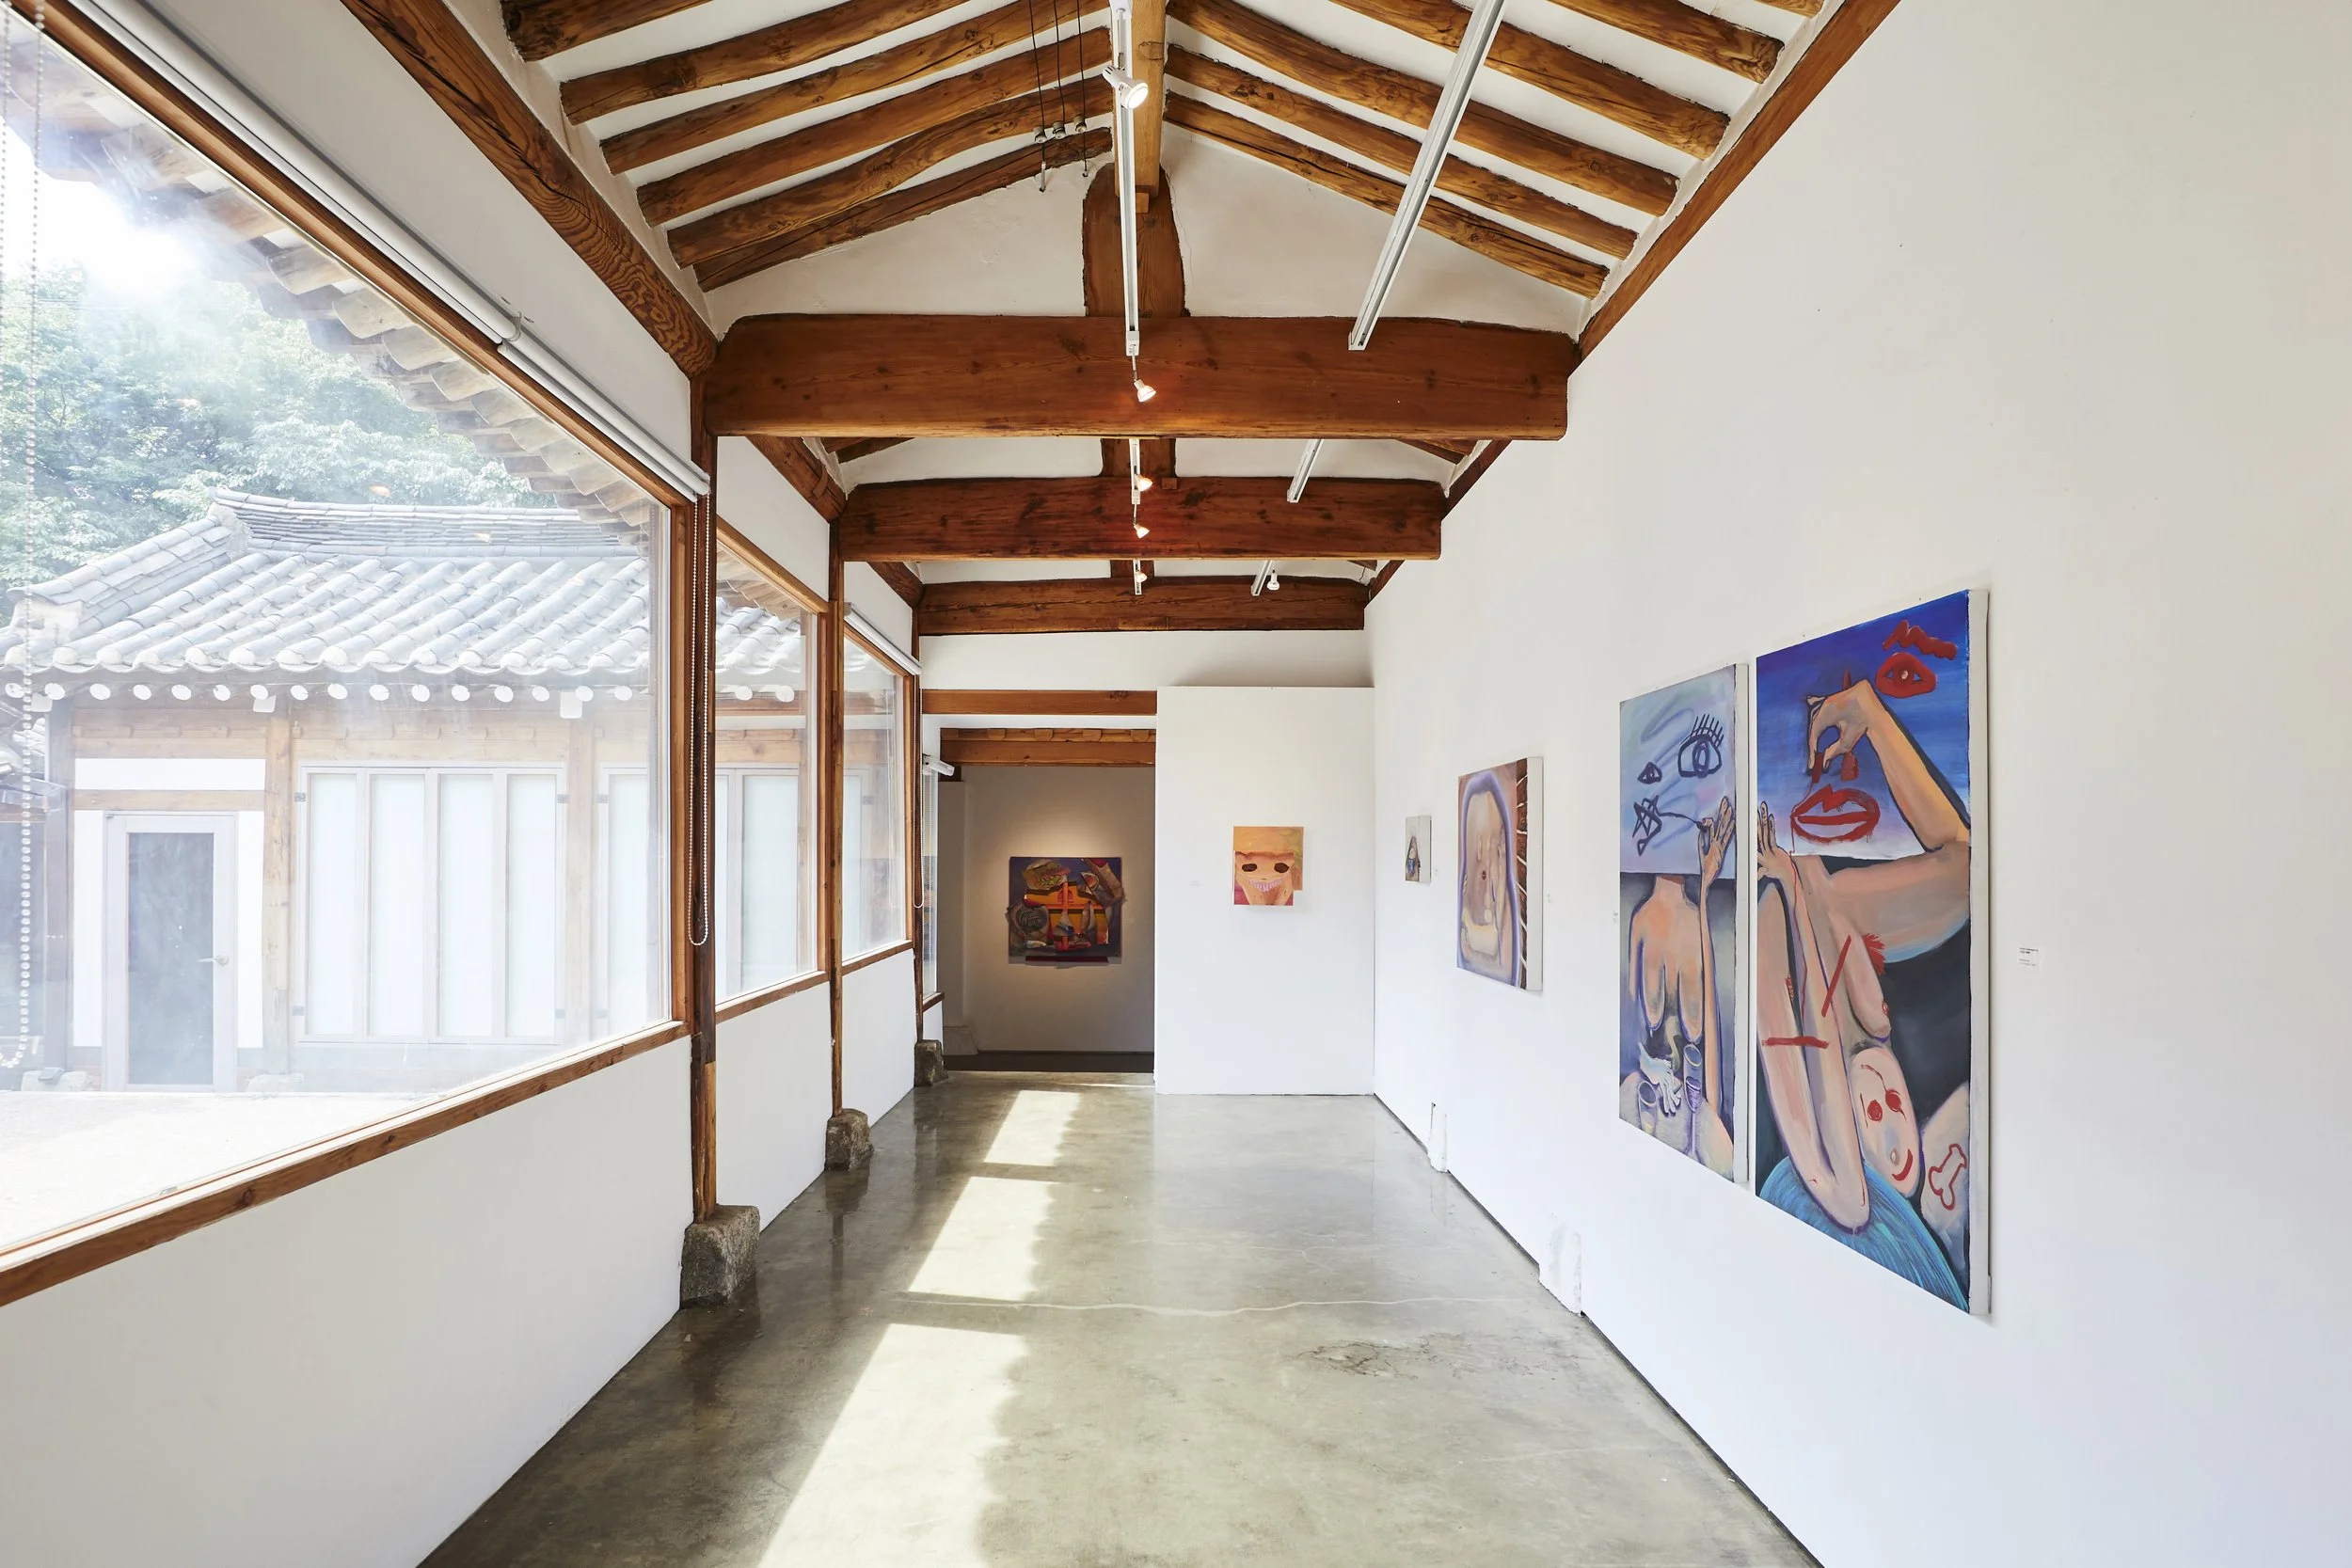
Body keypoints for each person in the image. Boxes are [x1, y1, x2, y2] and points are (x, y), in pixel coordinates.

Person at [1755, 678, 1969, 1306]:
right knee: (1966, 872)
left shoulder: (1832, 1163)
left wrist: (1793, 891)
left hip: (1796, 926)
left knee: (1959, 875)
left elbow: (1818, 1026)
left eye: (1870, 1118)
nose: (1882, 1099)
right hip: (1823, 916)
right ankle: (1865, 709)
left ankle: (1861, 711)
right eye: (1895, 1110)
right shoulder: (1870, 1039)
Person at [1621, 796, 1735, 1176]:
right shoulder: (1643, 922)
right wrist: (1647, 1065)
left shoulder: (1690, 921)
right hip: (1648, 1105)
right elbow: (1627, 1041)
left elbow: (1712, 1050)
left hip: (1688, 1119)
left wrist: (1704, 894)